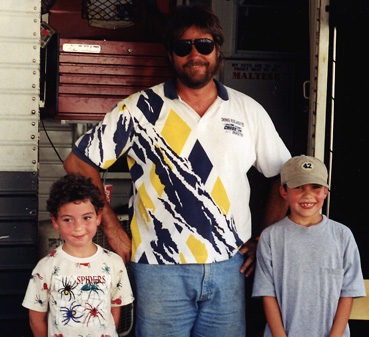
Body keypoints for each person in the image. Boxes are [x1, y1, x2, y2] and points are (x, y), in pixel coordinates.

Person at [63, 5, 290, 336]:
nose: (194, 54)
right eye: (183, 47)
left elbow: (285, 175)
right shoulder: (138, 109)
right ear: (170, 54)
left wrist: (263, 240)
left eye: (204, 44)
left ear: (217, 50)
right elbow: (78, 162)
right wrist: (111, 227)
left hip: (229, 269)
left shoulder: (247, 111)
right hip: (158, 269)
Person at [252, 155, 366, 337]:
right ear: (283, 191)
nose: (308, 195)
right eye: (298, 187)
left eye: (315, 187)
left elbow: (348, 292)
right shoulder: (270, 237)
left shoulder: (342, 235)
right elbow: (267, 294)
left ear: (325, 192)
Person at [22, 174, 134, 337]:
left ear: (98, 217)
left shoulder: (114, 263)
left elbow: (115, 306)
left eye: (86, 217)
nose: (78, 227)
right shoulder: (46, 267)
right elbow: (36, 318)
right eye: (68, 219)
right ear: (55, 221)